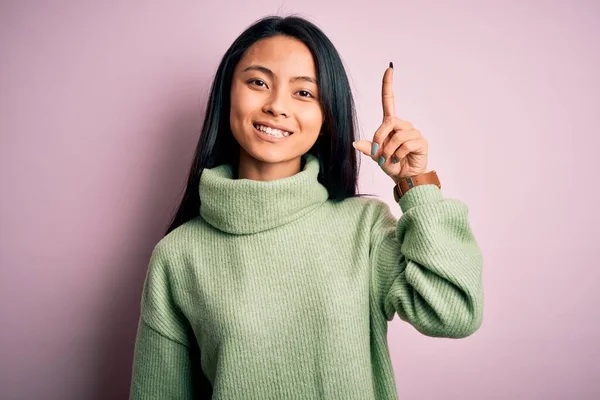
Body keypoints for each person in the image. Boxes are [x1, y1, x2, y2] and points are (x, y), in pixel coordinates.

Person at [129, 14, 484, 400]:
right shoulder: (178, 256)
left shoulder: (363, 228)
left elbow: (455, 312)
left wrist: (415, 183)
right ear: (227, 94)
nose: (277, 106)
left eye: (303, 93)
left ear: (326, 116)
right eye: (258, 82)